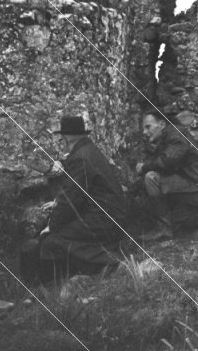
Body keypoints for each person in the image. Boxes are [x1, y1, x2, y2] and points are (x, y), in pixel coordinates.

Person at [19, 115, 127, 285]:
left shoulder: (81, 157)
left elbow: (71, 200)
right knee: (55, 234)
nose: (61, 141)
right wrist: (56, 206)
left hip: (106, 220)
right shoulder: (88, 150)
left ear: (67, 137)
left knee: (52, 241)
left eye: (62, 137)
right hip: (110, 215)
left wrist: (51, 226)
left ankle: (108, 262)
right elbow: (81, 192)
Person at [137, 112, 198, 241]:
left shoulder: (175, 135)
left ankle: (164, 229)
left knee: (151, 178)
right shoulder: (169, 137)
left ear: (162, 124)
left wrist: (144, 167)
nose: (144, 132)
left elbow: (167, 161)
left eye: (148, 126)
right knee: (178, 218)